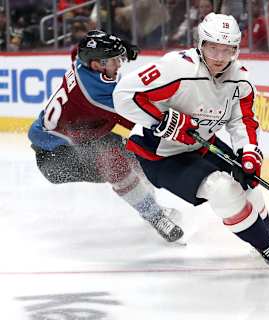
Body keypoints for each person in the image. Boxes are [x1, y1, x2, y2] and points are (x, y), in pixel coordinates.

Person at [113, 13, 269, 276]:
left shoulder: (241, 80)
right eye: (212, 47)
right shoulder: (177, 68)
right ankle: (268, 246)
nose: (218, 56)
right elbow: (124, 95)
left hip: (200, 145)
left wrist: (248, 152)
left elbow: (243, 120)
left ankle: (263, 235)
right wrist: (162, 120)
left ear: (235, 50)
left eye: (226, 50)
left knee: (247, 179)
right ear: (200, 44)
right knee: (224, 190)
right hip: (159, 154)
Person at [28, 30, 184, 243]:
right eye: (113, 60)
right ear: (96, 65)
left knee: (137, 154)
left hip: (75, 140)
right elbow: (137, 118)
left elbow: (80, 47)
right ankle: (154, 216)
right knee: (115, 161)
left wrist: (118, 44)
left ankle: (151, 206)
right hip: (55, 160)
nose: (119, 64)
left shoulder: (82, 63)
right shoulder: (97, 94)